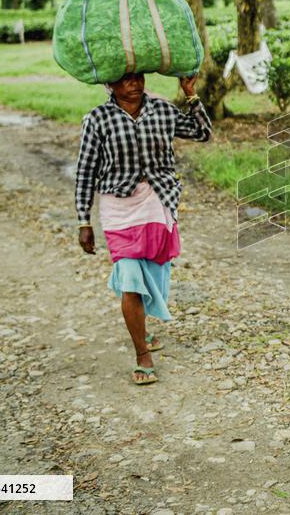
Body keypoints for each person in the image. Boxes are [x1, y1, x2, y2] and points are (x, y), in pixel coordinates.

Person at [75, 72, 212, 385]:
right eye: (126, 80)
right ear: (110, 84)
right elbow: (85, 171)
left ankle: (143, 327)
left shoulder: (162, 110)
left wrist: (190, 94)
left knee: (154, 272)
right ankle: (142, 354)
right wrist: (84, 220)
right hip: (118, 208)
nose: (135, 84)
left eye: (139, 78)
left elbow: (202, 133)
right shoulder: (97, 119)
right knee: (130, 278)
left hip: (156, 201)